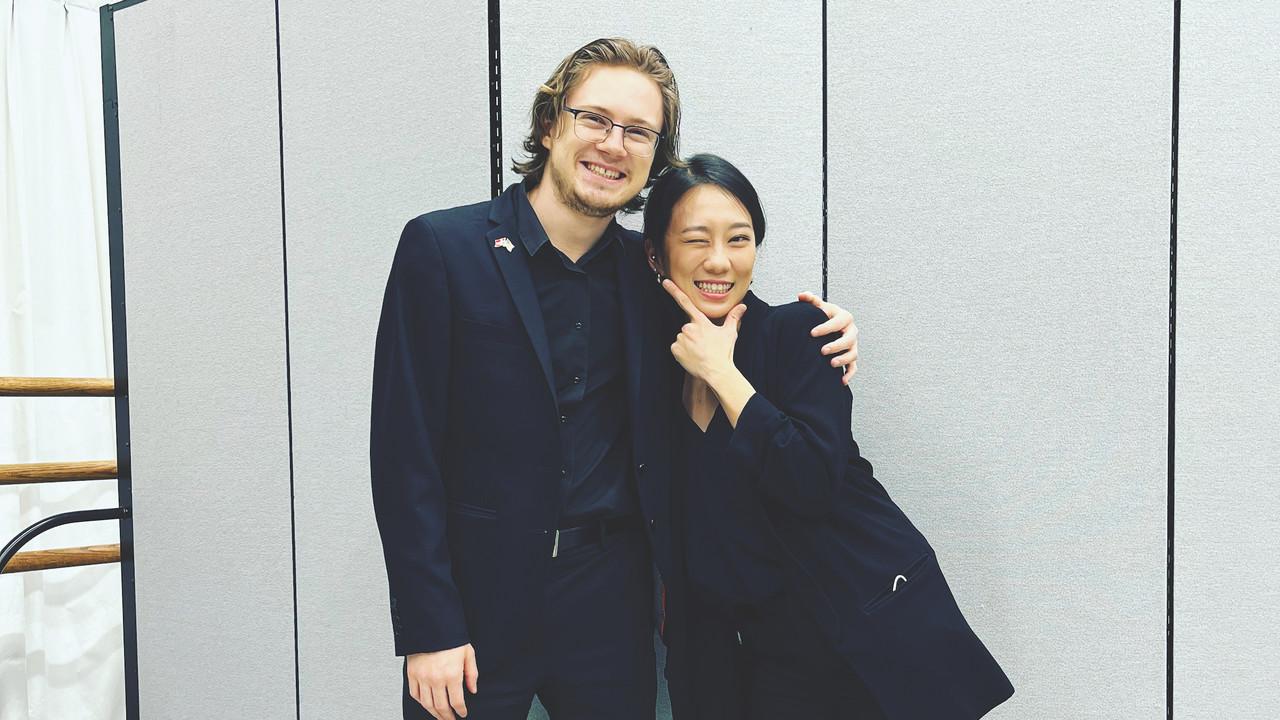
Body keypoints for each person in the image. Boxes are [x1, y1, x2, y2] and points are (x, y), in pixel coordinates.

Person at [369, 40, 860, 720]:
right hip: (476, 606)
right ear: (549, 125)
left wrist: (826, 330)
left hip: (610, 605)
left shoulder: (649, 273)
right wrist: (430, 628)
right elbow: (404, 454)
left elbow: (733, 308)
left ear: (655, 157)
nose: (613, 144)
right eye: (594, 118)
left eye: (638, 131)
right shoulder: (442, 250)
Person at [644, 154, 1015, 720]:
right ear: (656, 255)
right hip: (723, 654)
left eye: (739, 239)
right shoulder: (651, 366)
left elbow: (810, 479)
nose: (719, 260)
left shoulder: (800, 335)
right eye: (697, 240)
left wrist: (723, 374)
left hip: (835, 639)